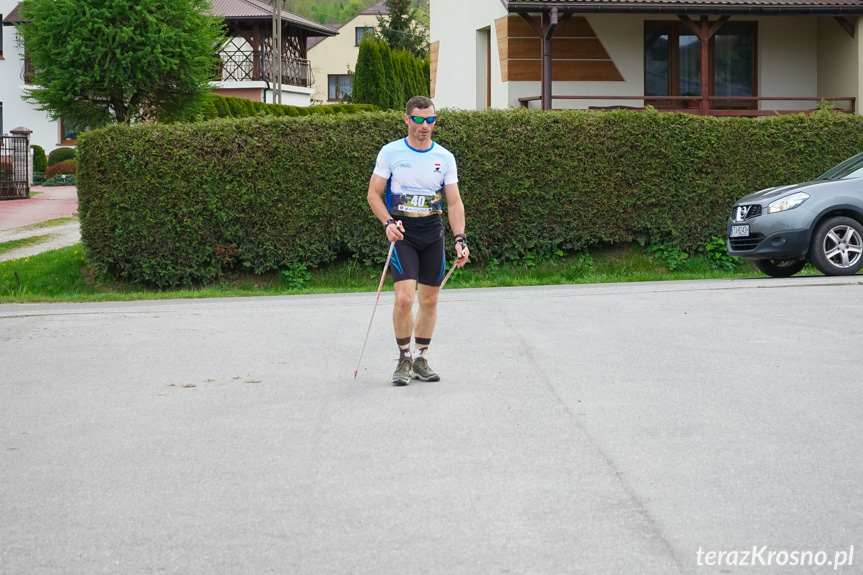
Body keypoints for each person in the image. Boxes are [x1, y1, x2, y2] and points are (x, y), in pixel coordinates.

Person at [367, 96, 469, 386]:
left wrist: (460, 238)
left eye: (430, 119)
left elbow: (454, 203)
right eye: (419, 119)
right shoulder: (391, 152)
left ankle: (422, 358)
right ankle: (404, 357)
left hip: (432, 233)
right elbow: (373, 194)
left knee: (430, 299)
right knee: (403, 299)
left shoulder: (445, 157)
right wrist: (387, 223)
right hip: (403, 233)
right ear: (407, 119)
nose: (425, 126)